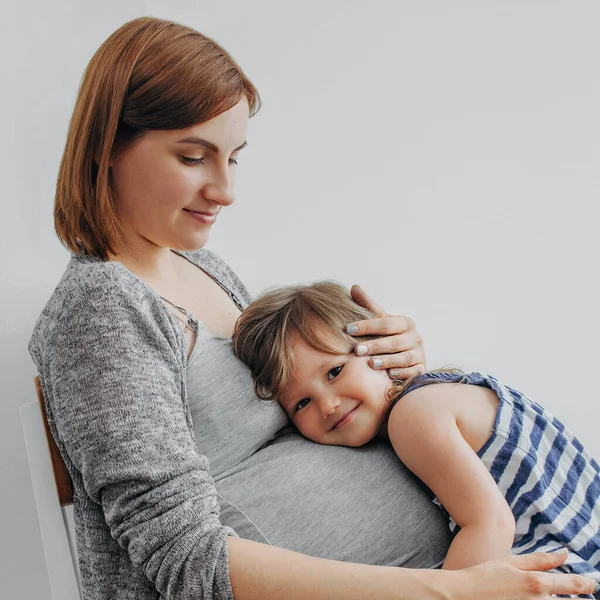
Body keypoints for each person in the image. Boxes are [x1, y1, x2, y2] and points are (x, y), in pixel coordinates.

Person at [28, 15, 596, 600]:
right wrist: (451, 591)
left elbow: (316, 408)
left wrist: (392, 369)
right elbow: (184, 556)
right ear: (109, 148)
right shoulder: (100, 309)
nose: (225, 191)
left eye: (234, 158)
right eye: (194, 158)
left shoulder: (204, 269)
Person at [232, 280, 600, 596]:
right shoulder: (446, 389)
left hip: (568, 570)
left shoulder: (414, 416)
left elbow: (491, 525)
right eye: (302, 403)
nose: (327, 405)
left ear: (380, 346)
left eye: (335, 371)